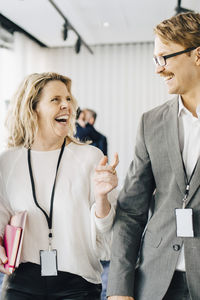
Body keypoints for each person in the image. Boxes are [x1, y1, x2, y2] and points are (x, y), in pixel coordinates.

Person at [0, 72, 119, 300]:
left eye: (68, 99)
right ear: (33, 108)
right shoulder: (7, 162)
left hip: (78, 283)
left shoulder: (90, 157)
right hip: (21, 283)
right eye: (56, 100)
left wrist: (103, 199)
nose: (67, 105)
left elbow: (108, 234)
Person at [107, 12, 200, 300]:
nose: (158, 69)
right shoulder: (151, 122)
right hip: (156, 281)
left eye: (164, 58)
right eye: (155, 60)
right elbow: (131, 211)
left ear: (197, 54)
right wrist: (119, 289)